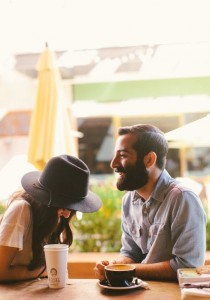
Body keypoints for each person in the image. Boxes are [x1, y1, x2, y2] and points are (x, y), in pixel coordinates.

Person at [95, 124, 206, 281]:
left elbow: (187, 267)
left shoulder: (182, 198)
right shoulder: (129, 200)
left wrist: (128, 270)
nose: (113, 163)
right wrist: (114, 266)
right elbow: (131, 253)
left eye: (123, 155)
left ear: (149, 160)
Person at [0, 154, 102, 282]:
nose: (67, 215)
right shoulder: (21, 209)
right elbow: (1, 272)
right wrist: (45, 271)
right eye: (64, 207)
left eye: (72, 209)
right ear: (45, 201)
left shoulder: (53, 216)